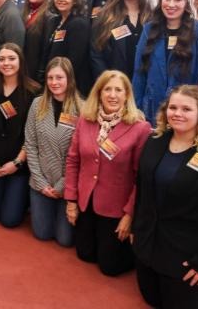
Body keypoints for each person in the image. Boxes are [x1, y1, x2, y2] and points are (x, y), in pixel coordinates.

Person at [132, 86, 198, 308]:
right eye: (172, 107)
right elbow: (143, 191)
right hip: (150, 243)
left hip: (187, 253)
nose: (177, 113)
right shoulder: (155, 140)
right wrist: (137, 227)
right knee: (151, 298)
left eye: (186, 109)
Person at [65, 70, 152, 276]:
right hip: (88, 201)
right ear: (99, 93)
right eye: (107, 89)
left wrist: (129, 215)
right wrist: (71, 200)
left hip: (115, 207)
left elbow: (141, 176)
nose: (112, 95)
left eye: (118, 90)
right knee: (85, 255)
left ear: (127, 95)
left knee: (109, 267)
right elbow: (73, 160)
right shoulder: (85, 121)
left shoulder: (140, 128)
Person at [132, 0, 198, 126]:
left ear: (187, 3)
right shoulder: (148, 30)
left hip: (185, 113)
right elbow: (139, 73)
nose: (171, 5)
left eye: (178, 0)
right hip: (150, 112)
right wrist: (135, 108)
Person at [0, 43, 41, 227]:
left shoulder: (33, 92)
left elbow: (32, 135)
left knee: (10, 220)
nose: (6, 63)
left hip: (19, 165)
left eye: (11, 58)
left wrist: (17, 163)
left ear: (20, 61)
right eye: (1, 59)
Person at [25, 57, 82, 246]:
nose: (54, 83)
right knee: (41, 234)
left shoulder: (82, 109)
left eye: (59, 77)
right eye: (50, 78)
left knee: (65, 240)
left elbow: (80, 155)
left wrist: (61, 186)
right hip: (41, 181)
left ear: (70, 79)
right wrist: (41, 183)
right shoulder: (37, 104)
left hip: (67, 184)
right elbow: (31, 145)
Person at [90, 0, 156, 81]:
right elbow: (96, 55)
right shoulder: (104, 17)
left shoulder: (155, 17)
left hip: (148, 87)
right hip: (115, 87)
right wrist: (108, 82)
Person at [43, 0, 92, 95]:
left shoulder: (79, 24)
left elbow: (74, 62)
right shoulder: (54, 21)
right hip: (54, 84)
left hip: (71, 88)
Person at [22, 0, 54, 82]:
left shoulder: (50, 15)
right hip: (22, 72)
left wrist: (40, 77)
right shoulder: (25, 11)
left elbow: (46, 50)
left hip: (36, 77)